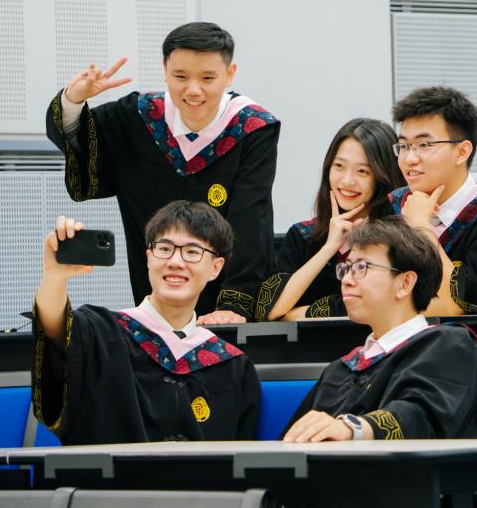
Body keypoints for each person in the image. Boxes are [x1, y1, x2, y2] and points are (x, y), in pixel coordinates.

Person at [45, 22, 279, 324]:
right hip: (156, 302)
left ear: (229, 74)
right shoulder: (138, 117)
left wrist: (235, 305)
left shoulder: (251, 128)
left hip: (225, 310)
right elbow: (80, 147)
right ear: (165, 69)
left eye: (207, 78)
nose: (193, 90)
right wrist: (73, 101)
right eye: (180, 76)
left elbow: (251, 220)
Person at [31, 200, 261, 444]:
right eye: (165, 248)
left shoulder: (232, 367)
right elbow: (53, 332)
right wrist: (54, 278)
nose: (176, 261)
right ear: (149, 258)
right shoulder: (100, 334)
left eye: (192, 252)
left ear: (215, 268)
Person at [282, 217, 477, 442]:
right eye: (346, 268)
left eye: (361, 267)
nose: (346, 280)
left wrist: (352, 428)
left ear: (405, 283)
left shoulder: (449, 344)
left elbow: (420, 418)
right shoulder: (340, 369)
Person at [388, 86, 477, 315]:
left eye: (424, 145)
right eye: (404, 146)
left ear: (462, 152)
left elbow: (467, 301)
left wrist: (421, 227)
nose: (409, 158)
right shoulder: (393, 205)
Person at [256, 118, 405, 321]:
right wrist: (329, 247)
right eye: (339, 166)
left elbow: (380, 306)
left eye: (362, 171)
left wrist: (298, 314)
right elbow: (267, 311)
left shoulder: (400, 237)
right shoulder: (302, 235)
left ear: (383, 175)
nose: (347, 180)